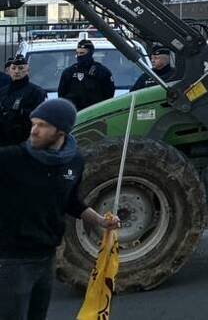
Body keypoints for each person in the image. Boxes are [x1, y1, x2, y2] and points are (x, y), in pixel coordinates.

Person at [0, 98, 119, 320]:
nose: (34, 131)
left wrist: (102, 221)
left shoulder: (74, 162)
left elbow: (71, 202)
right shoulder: (12, 159)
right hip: (11, 260)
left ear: (61, 130)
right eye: (33, 124)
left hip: (46, 258)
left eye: (42, 125)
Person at [0, 56, 47, 147]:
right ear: (9, 70)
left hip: (24, 142)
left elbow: (40, 119)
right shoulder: (3, 91)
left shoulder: (36, 92)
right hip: (4, 143)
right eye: (13, 68)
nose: (17, 71)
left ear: (27, 70)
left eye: (20, 68)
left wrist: (21, 113)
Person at [57, 40, 114, 111]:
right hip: (74, 113)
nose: (79, 55)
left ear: (90, 53)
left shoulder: (102, 72)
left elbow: (109, 95)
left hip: (95, 112)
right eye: (77, 53)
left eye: (82, 53)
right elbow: (61, 94)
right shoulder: (69, 72)